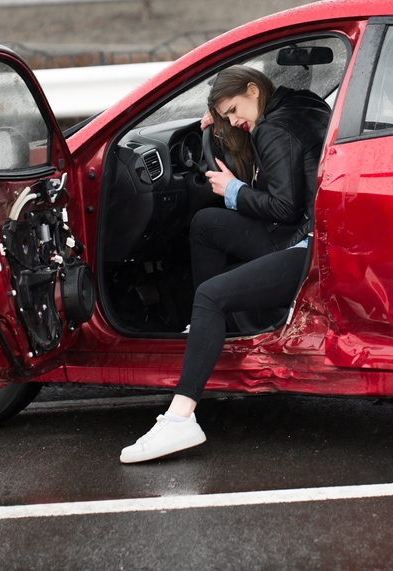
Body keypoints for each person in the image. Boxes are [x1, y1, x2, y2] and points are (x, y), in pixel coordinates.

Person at [120, 65, 331, 463]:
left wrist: (233, 190)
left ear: (254, 88)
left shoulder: (272, 128)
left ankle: (181, 418)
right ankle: (217, 334)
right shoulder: (301, 104)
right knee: (206, 224)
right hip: (312, 231)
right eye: (227, 116)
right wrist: (221, 126)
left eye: (235, 110)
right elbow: (282, 174)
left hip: (304, 247)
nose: (236, 120)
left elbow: (283, 207)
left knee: (210, 295)